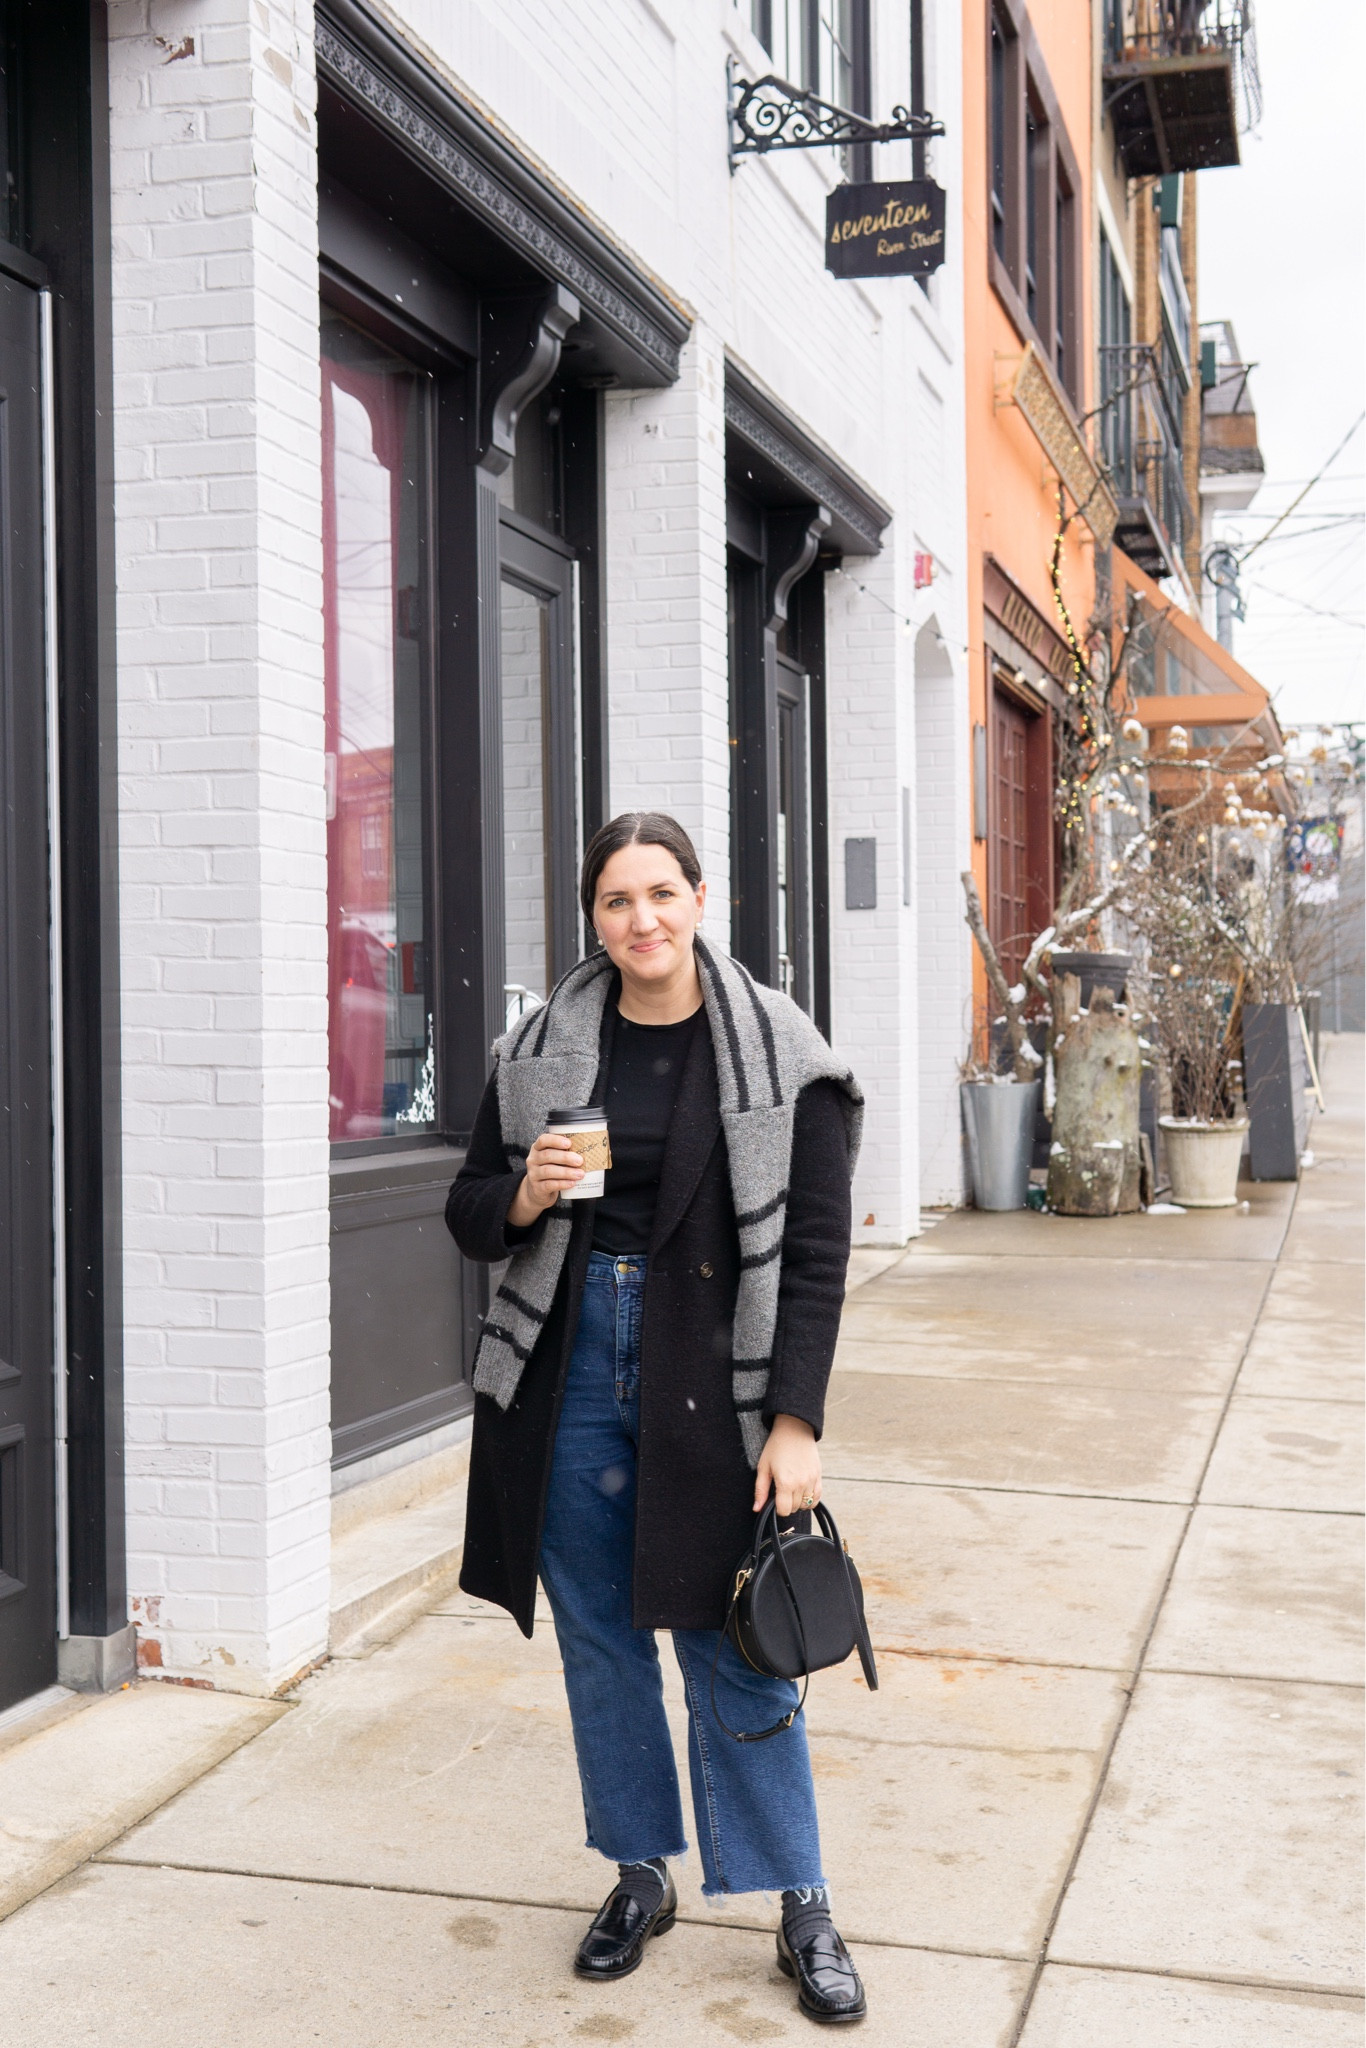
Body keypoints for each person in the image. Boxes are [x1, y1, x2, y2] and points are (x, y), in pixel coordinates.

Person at [446, 811, 866, 2025]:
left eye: (661, 893)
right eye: (617, 899)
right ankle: (640, 1871)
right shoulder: (538, 1048)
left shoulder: (782, 1050)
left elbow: (820, 1255)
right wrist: (521, 1191)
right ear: (594, 915)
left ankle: (801, 1897)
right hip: (570, 1367)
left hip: (713, 1374)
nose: (642, 919)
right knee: (601, 1640)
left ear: (698, 897)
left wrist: (797, 1417)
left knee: (737, 1637)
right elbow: (470, 1209)